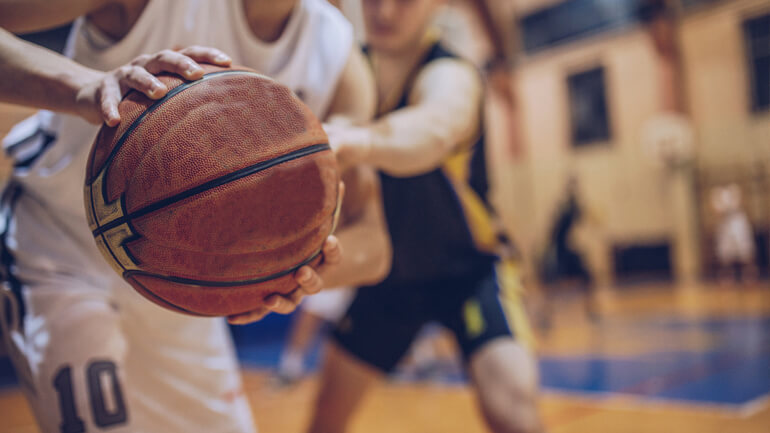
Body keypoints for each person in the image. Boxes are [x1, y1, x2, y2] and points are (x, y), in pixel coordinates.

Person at [0, 1, 389, 432]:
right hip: (60, 251)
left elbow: (373, 243)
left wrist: (298, 269)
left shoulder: (337, 50)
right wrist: (87, 86)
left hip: (181, 284)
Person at [307, 1, 543, 432]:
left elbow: (433, 128)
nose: (386, 12)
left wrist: (356, 139)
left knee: (512, 410)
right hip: (388, 281)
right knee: (325, 422)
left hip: (468, 271)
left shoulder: (452, 73)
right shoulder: (348, 71)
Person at [711, 184, 758, 286]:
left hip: (738, 223)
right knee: (725, 252)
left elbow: (744, 204)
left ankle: (749, 275)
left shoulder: (735, 189)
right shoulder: (717, 193)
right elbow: (716, 211)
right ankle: (727, 276)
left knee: (745, 249)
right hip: (725, 224)